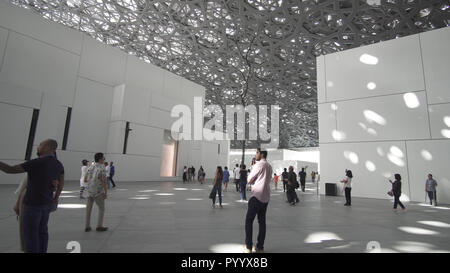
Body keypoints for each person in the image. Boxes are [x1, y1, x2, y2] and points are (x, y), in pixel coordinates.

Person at [0, 139, 63, 253]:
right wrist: (55, 199)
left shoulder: (37, 162)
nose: (38, 147)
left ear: (48, 148)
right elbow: (60, 184)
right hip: (46, 204)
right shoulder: (58, 164)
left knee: (30, 235)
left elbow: (10, 169)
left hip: (32, 204)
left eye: (40, 145)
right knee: (42, 232)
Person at [243, 148, 273, 253]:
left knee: (248, 221)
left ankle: (248, 246)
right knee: (262, 222)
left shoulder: (259, 164)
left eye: (257, 153)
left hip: (256, 196)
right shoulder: (269, 166)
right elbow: (266, 179)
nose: (255, 154)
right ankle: (260, 247)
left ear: (262, 154)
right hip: (265, 197)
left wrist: (253, 169)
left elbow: (249, 179)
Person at [84, 152, 108, 232]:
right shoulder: (102, 167)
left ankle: (87, 226)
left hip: (89, 191)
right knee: (102, 208)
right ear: (100, 159)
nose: (104, 159)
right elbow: (104, 180)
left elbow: (85, 179)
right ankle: (99, 226)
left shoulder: (91, 166)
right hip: (98, 191)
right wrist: (105, 192)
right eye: (103, 158)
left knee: (88, 209)